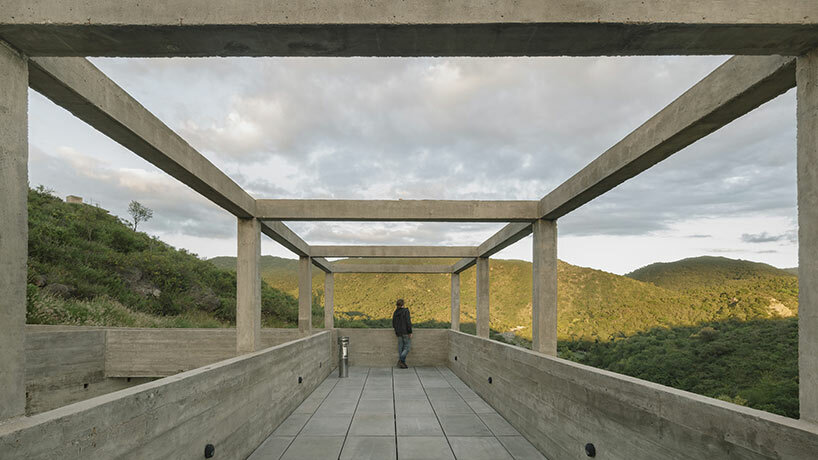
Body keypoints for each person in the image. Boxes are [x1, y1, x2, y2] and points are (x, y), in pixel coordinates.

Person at [392, 298, 412, 368]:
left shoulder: (395, 312)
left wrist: (396, 330)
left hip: (398, 332)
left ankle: (402, 363)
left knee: (400, 347)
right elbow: (408, 322)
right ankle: (401, 360)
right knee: (407, 347)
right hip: (405, 332)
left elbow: (393, 323)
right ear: (403, 304)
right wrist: (410, 331)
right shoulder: (406, 311)